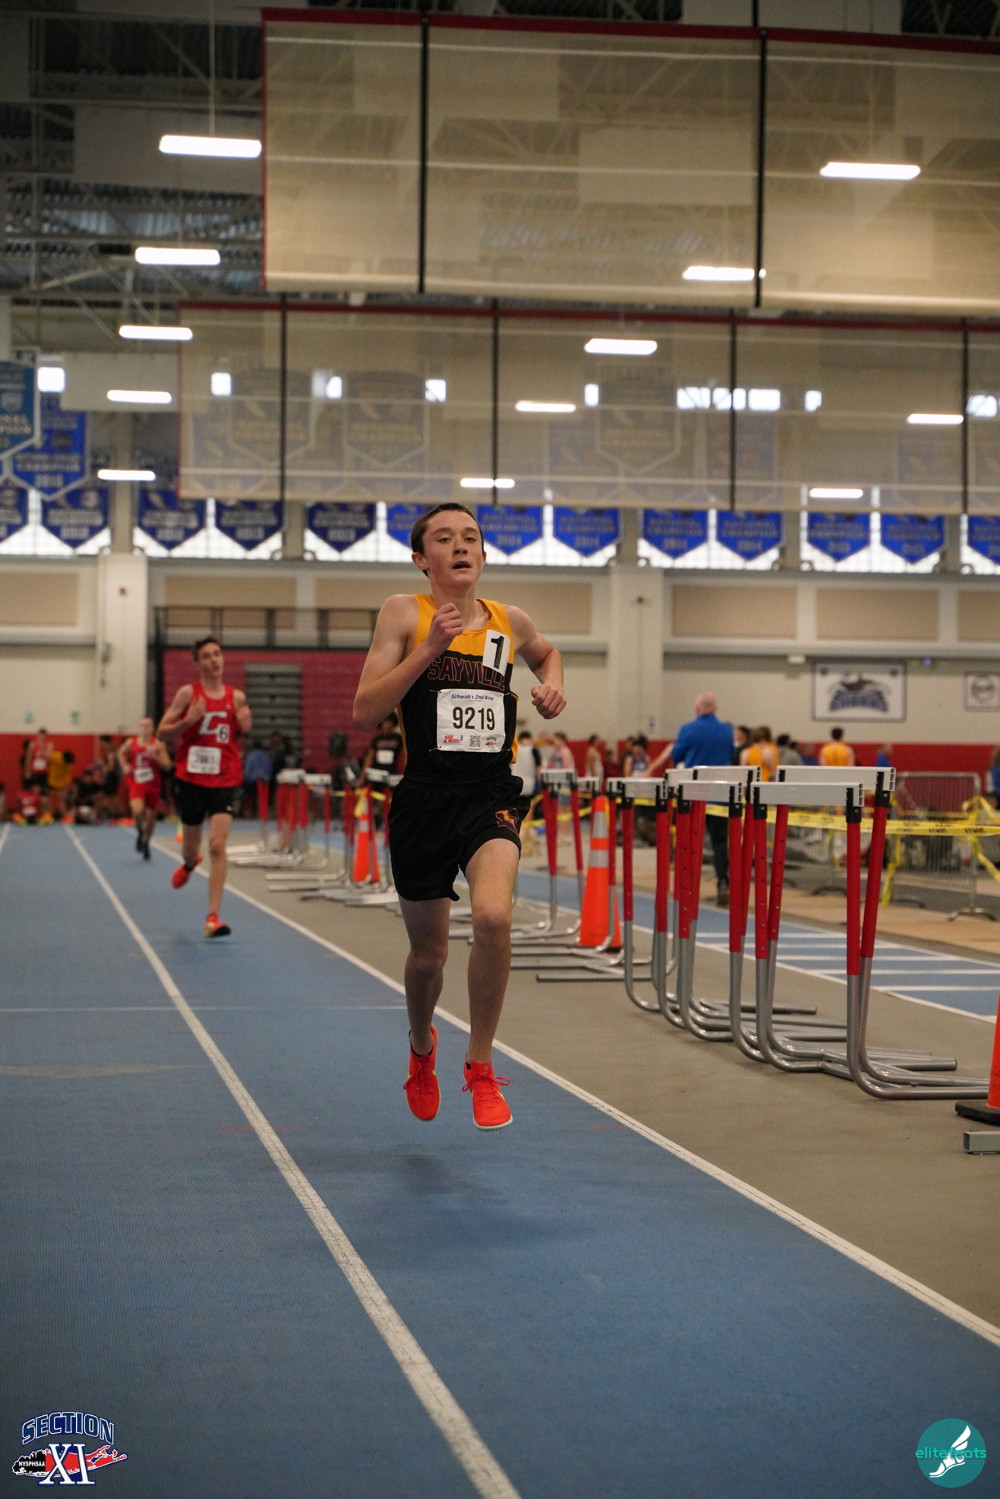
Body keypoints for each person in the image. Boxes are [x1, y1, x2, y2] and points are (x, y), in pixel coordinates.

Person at [353, 502, 565, 1131]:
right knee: (429, 958)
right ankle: (422, 1049)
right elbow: (365, 711)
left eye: (471, 537)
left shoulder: (509, 620)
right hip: (424, 798)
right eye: (444, 539)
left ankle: (480, 1063)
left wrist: (553, 684)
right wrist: (430, 648)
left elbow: (547, 653)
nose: (461, 546)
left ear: (483, 553)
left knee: (494, 917)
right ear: (422, 559)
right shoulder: (404, 612)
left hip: (489, 792)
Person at [157, 636, 252, 939]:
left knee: (217, 845)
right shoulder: (189, 694)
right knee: (191, 847)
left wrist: (245, 725)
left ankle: (213, 918)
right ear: (198, 663)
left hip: (225, 778)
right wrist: (189, 721)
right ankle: (189, 862)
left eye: (218, 654)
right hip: (192, 779)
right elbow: (162, 732)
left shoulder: (236, 698)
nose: (214, 660)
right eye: (207, 656)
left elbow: (242, 732)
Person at [650, 691, 735, 907]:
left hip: (694, 795)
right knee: (719, 842)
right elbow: (730, 756)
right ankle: (723, 883)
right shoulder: (727, 731)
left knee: (688, 842)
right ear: (715, 709)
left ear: (697, 709)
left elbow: (676, 756)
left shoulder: (688, 730)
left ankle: (687, 884)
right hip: (720, 794)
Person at [118, 716, 171, 859]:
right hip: (136, 782)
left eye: (148, 726)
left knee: (151, 819)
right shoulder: (131, 743)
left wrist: (156, 757)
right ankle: (140, 830)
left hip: (153, 784)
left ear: (152, 728)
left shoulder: (158, 744)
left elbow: (167, 765)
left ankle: (146, 841)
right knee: (137, 810)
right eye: (142, 725)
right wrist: (124, 765)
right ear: (138, 728)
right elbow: (120, 753)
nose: (145, 728)